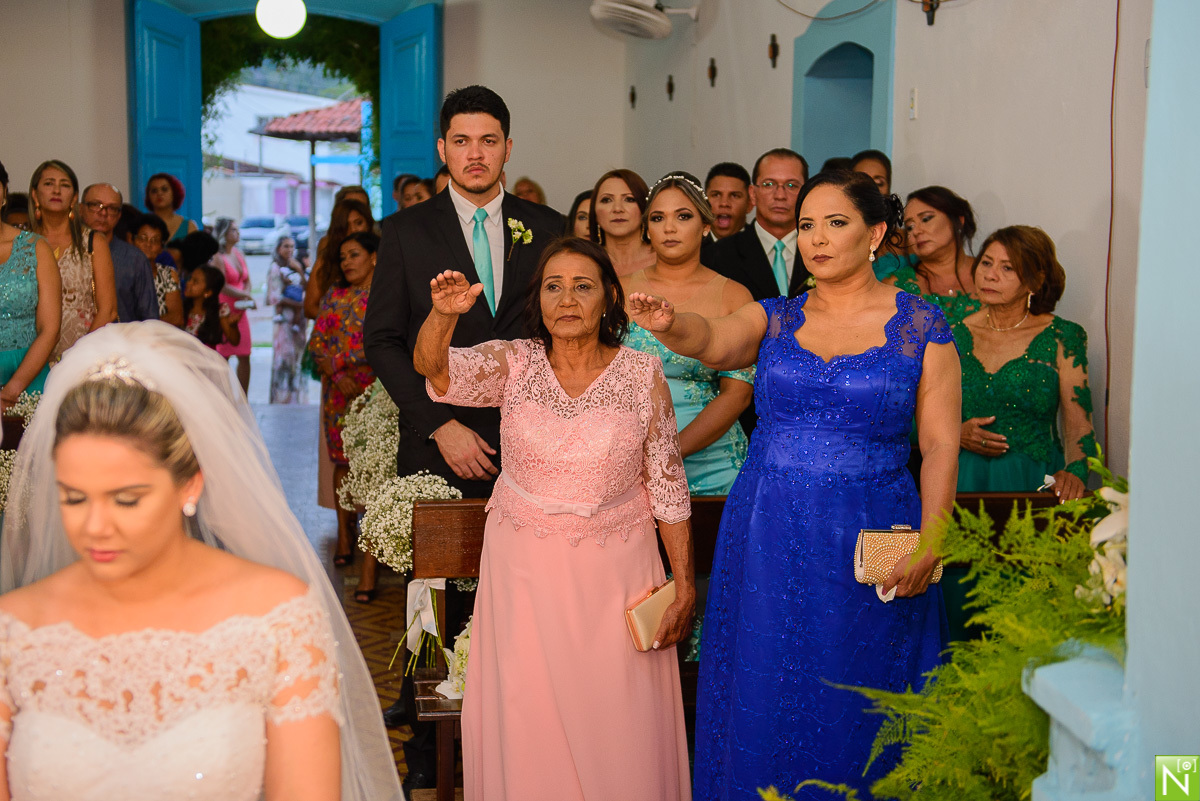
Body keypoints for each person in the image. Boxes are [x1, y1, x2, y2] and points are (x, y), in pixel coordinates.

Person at [629, 169, 958, 800]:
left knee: (862, 684)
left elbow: (940, 442)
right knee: (770, 680)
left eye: (836, 223)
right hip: (770, 525)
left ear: (876, 233)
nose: (817, 238)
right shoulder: (775, 317)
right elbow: (717, 343)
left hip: (872, 524)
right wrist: (672, 324)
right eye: (808, 225)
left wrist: (933, 536)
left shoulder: (922, 325)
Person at [0, 322, 403, 801]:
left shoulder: (276, 616)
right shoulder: (14, 629)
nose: (95, 526)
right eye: (74, 498)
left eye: (126, 499)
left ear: (190, 484)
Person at [415, 237, 695, 801]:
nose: (567, 299)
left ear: (609, 298)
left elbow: (667, 485)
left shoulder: (642, 375)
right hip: (525, 572)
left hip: (617, 574)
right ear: (538, 299)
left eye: (583, 286)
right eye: (553, 286)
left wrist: (684, 585)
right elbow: (436, 372)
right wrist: (443, 317)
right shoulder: (514, 363)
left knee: (615, 712)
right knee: (528, 706)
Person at [363, 84, 564, 793]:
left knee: (520, 594)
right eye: (461, 141)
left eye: (489, 140)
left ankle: (518, 723)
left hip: (531, 446)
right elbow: (382, 341)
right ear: (443, 149)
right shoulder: (406, 232)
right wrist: (440, 424)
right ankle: (427, 735)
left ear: (508, 147)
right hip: (437, 443)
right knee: (434, 595)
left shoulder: (548, 225)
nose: (475, 154)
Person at [623, 172, 754, 494]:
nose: (669, 228)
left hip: (716, 464)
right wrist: (637, 456)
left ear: (706, 226)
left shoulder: (734, 295)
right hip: (629, 456)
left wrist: (670, 452)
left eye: (683, 216)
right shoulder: (618, 290)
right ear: (646, 229)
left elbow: (737, 392)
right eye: (658, 218)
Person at [956, 225, 1095, 496]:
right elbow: (922, 411)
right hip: (966, 479)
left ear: (1035, 281)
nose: (990, 275)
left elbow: (1078, 423)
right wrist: (955, 433)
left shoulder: (1063, 337)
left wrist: (1075, 473)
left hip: (1035, 480)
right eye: (986, 263)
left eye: (1007, 268)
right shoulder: (954, 334)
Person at [308, 232, 380, 600]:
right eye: (343, 256)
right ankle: (344, 535)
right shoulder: (334, 297)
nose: (348, 262)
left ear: (374, 257)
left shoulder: (387, 296)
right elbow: (316, 346)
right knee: (343, 462)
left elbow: (393, 345)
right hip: (339, 392)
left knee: (376, 467)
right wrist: (338, 374)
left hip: (379, 392)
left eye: (355, 254)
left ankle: (374, 544)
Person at [29, 160, 118, 361]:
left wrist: (77, 356)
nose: (57, 190)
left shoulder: (93, 242)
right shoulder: (22, 243)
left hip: (84, 355)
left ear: (74, 197)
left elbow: (108, 311)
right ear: (35, 194)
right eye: (49, 183)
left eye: (65, 185)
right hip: (28, 355)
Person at [709, 147, 812, 301]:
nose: (780, 195)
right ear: (752, 194)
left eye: (791, 185)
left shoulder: (821, 249)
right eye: (769, 184)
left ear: (806, 192)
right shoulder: (717, 256)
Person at [0, 159, 60, 406]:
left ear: (4, 194)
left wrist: (11, 390)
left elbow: (50, 328)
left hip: (28, 373)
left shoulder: (36, 247)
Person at [886, 185, 982, 326]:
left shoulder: (989, 274)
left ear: (958, 220)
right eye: (909, 227)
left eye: (926, 219)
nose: (916, 231)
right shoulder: (896, 287)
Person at [80, 183, 158, 323]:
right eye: (95, 205)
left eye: (112, 208)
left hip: (122, 340)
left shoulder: (135, 259)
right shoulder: (67, 252)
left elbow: (150, 319)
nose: (103, 213)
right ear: (81, 209)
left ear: (119, 215)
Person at [304, 198, 373, 320]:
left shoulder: (383, 255)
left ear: (368, 223)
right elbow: (310, 308)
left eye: (358, 223)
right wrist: (341, 323)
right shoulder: (327, 260)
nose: (353, 230)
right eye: (346, 226)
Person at [211, 218, 255, 394]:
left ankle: (243, 397)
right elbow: (222, 284)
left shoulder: (238, 253)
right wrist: (245, 294)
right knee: (224, 354)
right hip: (225, 307)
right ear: (224, 234)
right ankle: (223, 395)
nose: (238, 233)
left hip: (240, 308)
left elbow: (247, 280)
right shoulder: (217, 257)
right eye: (233, 230)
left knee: (245, 353)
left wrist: (246, 294)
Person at [589, 168, 655, 277]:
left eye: (629, 199)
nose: (618, 208)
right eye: (607, 200)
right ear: (595, 212)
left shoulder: (664, 260)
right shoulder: (585, 261)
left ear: (644, 208)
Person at [266, 236, 308, 404]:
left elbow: (306, 287)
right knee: (284, 360)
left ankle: (297, 398)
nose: (289, 250)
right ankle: (282, 399)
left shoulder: (295, 265)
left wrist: (299, 270)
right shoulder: (275, 269)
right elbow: (275, 297)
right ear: (278, 248)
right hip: (284, 321)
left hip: (299, 322)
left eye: (292, 246)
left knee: (297, 360)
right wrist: (298, 305)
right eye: (286, 246)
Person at [130, 213, 185, 327]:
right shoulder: (122, 273)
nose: (148, 244)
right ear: (132, 241)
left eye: (155, 240)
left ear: (161, 248)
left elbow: (176, 318)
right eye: (143, 238)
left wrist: (140, 327)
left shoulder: (168, 274)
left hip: (162, 338)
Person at [184, 264, 242, 351]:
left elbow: (234, 341)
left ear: (208, 292)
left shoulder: (219, 311)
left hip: (206, 360)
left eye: (195, 281)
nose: (189, 283)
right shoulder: (181, 307)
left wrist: (233, 326)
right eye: (189, 279)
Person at [704, 162, 754, 241]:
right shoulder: (691, 245)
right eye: (716, 195)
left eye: (735, 195)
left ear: (749, 204)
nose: (724, 203)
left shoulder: (762, 245)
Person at [144, 172, 198, 242]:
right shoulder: (141, 225)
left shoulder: (189, 227)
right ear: (149, 196)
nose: (159, 193)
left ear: (174, 193)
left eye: (164, 189)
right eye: (154, 191)